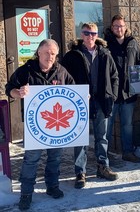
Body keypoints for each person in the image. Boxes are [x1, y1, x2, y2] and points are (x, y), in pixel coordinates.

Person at [5, 39, 75, 210]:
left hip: (57, 127)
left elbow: (73, 89)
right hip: (35, 126)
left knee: (55, 158)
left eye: (53, 53)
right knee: (31, 160)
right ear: (38, 53)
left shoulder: (62, 71)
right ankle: (26, 193)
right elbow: (9, 89)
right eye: (46, 53)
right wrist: (19, 92)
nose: (50, 56)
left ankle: (52, 186)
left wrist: (82, 97)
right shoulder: (26, 71)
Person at [62, 22, 119, 189]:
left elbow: (114, 76)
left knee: (102, 137)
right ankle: (80, 172)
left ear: (97, 35)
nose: (90, 36)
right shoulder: (72, 55)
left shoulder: (105, 54)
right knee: (80, 138)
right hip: (80, 102)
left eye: (93, 33)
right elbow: (64, 77)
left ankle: (103, 167)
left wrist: (112, 95)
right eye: (87, 33)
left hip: (102, 101)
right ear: (81, 34)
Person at [104, 14, 140, 163]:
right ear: (112, 27)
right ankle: (104, 155)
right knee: (107, 127)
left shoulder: (133, 43)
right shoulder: (105, 43)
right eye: (116, 26)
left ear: (125, 27)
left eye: (121, 26)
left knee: (127, 125)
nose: (118, 28)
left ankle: (128, 152)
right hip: (110, 93)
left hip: (128, 93)